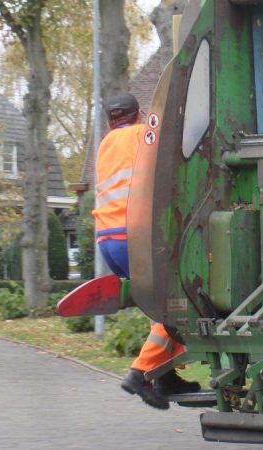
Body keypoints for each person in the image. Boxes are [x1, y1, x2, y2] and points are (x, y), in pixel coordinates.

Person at [92, 93, 200, 410]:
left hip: (108, 241)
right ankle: (140, 374)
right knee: (180, 302)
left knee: (162, 309)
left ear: (110, 121)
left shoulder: (104, 146)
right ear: (138, 115)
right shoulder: (143, 134)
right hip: (136, 237)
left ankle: (166, 376)